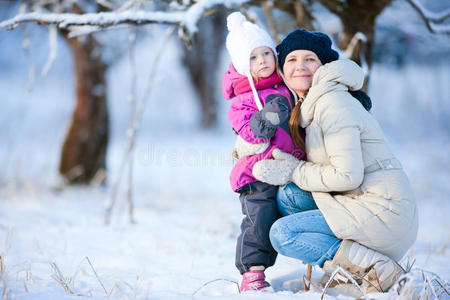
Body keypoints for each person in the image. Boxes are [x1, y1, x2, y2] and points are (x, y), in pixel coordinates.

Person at [250, 29, 418, 294]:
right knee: (289, 197)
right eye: (292, 60)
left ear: (323, 66)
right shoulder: (311, 105)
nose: (300, 67)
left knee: (283, 234)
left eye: (310, 59)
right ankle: (346, 271)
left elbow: (347, 177)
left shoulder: (333, 103)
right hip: (360, 202)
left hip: (384, 213)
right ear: (282, 69)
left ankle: (378, 268)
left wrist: (295, 171)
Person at [222, 13, 307, 292]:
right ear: (239, 63)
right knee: (260, 219)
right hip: (256, 175)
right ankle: (252, 273)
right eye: (253, 57)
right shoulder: (241, 99)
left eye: (266, 53)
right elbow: (250, 132)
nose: (262, 61)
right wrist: (269, 116)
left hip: (290, 167)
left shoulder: (286, 85)